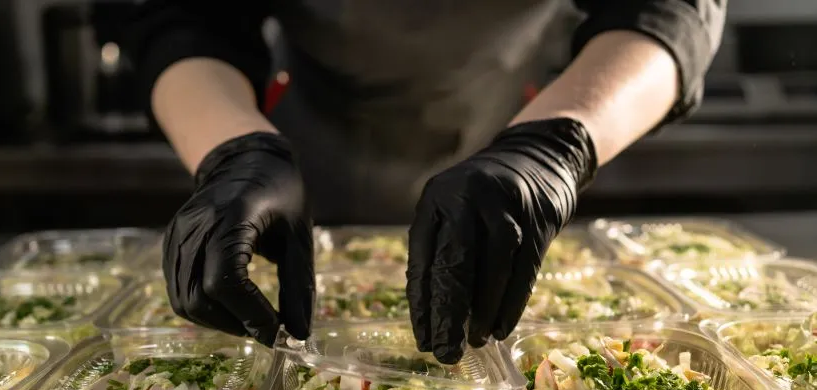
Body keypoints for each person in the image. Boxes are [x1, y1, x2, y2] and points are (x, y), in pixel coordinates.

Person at [125, 1, 725, 363]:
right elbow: (181, 16)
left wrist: (553, 144)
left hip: (511, 136)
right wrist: (233, 149)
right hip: (299, 163)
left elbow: (666, 6)